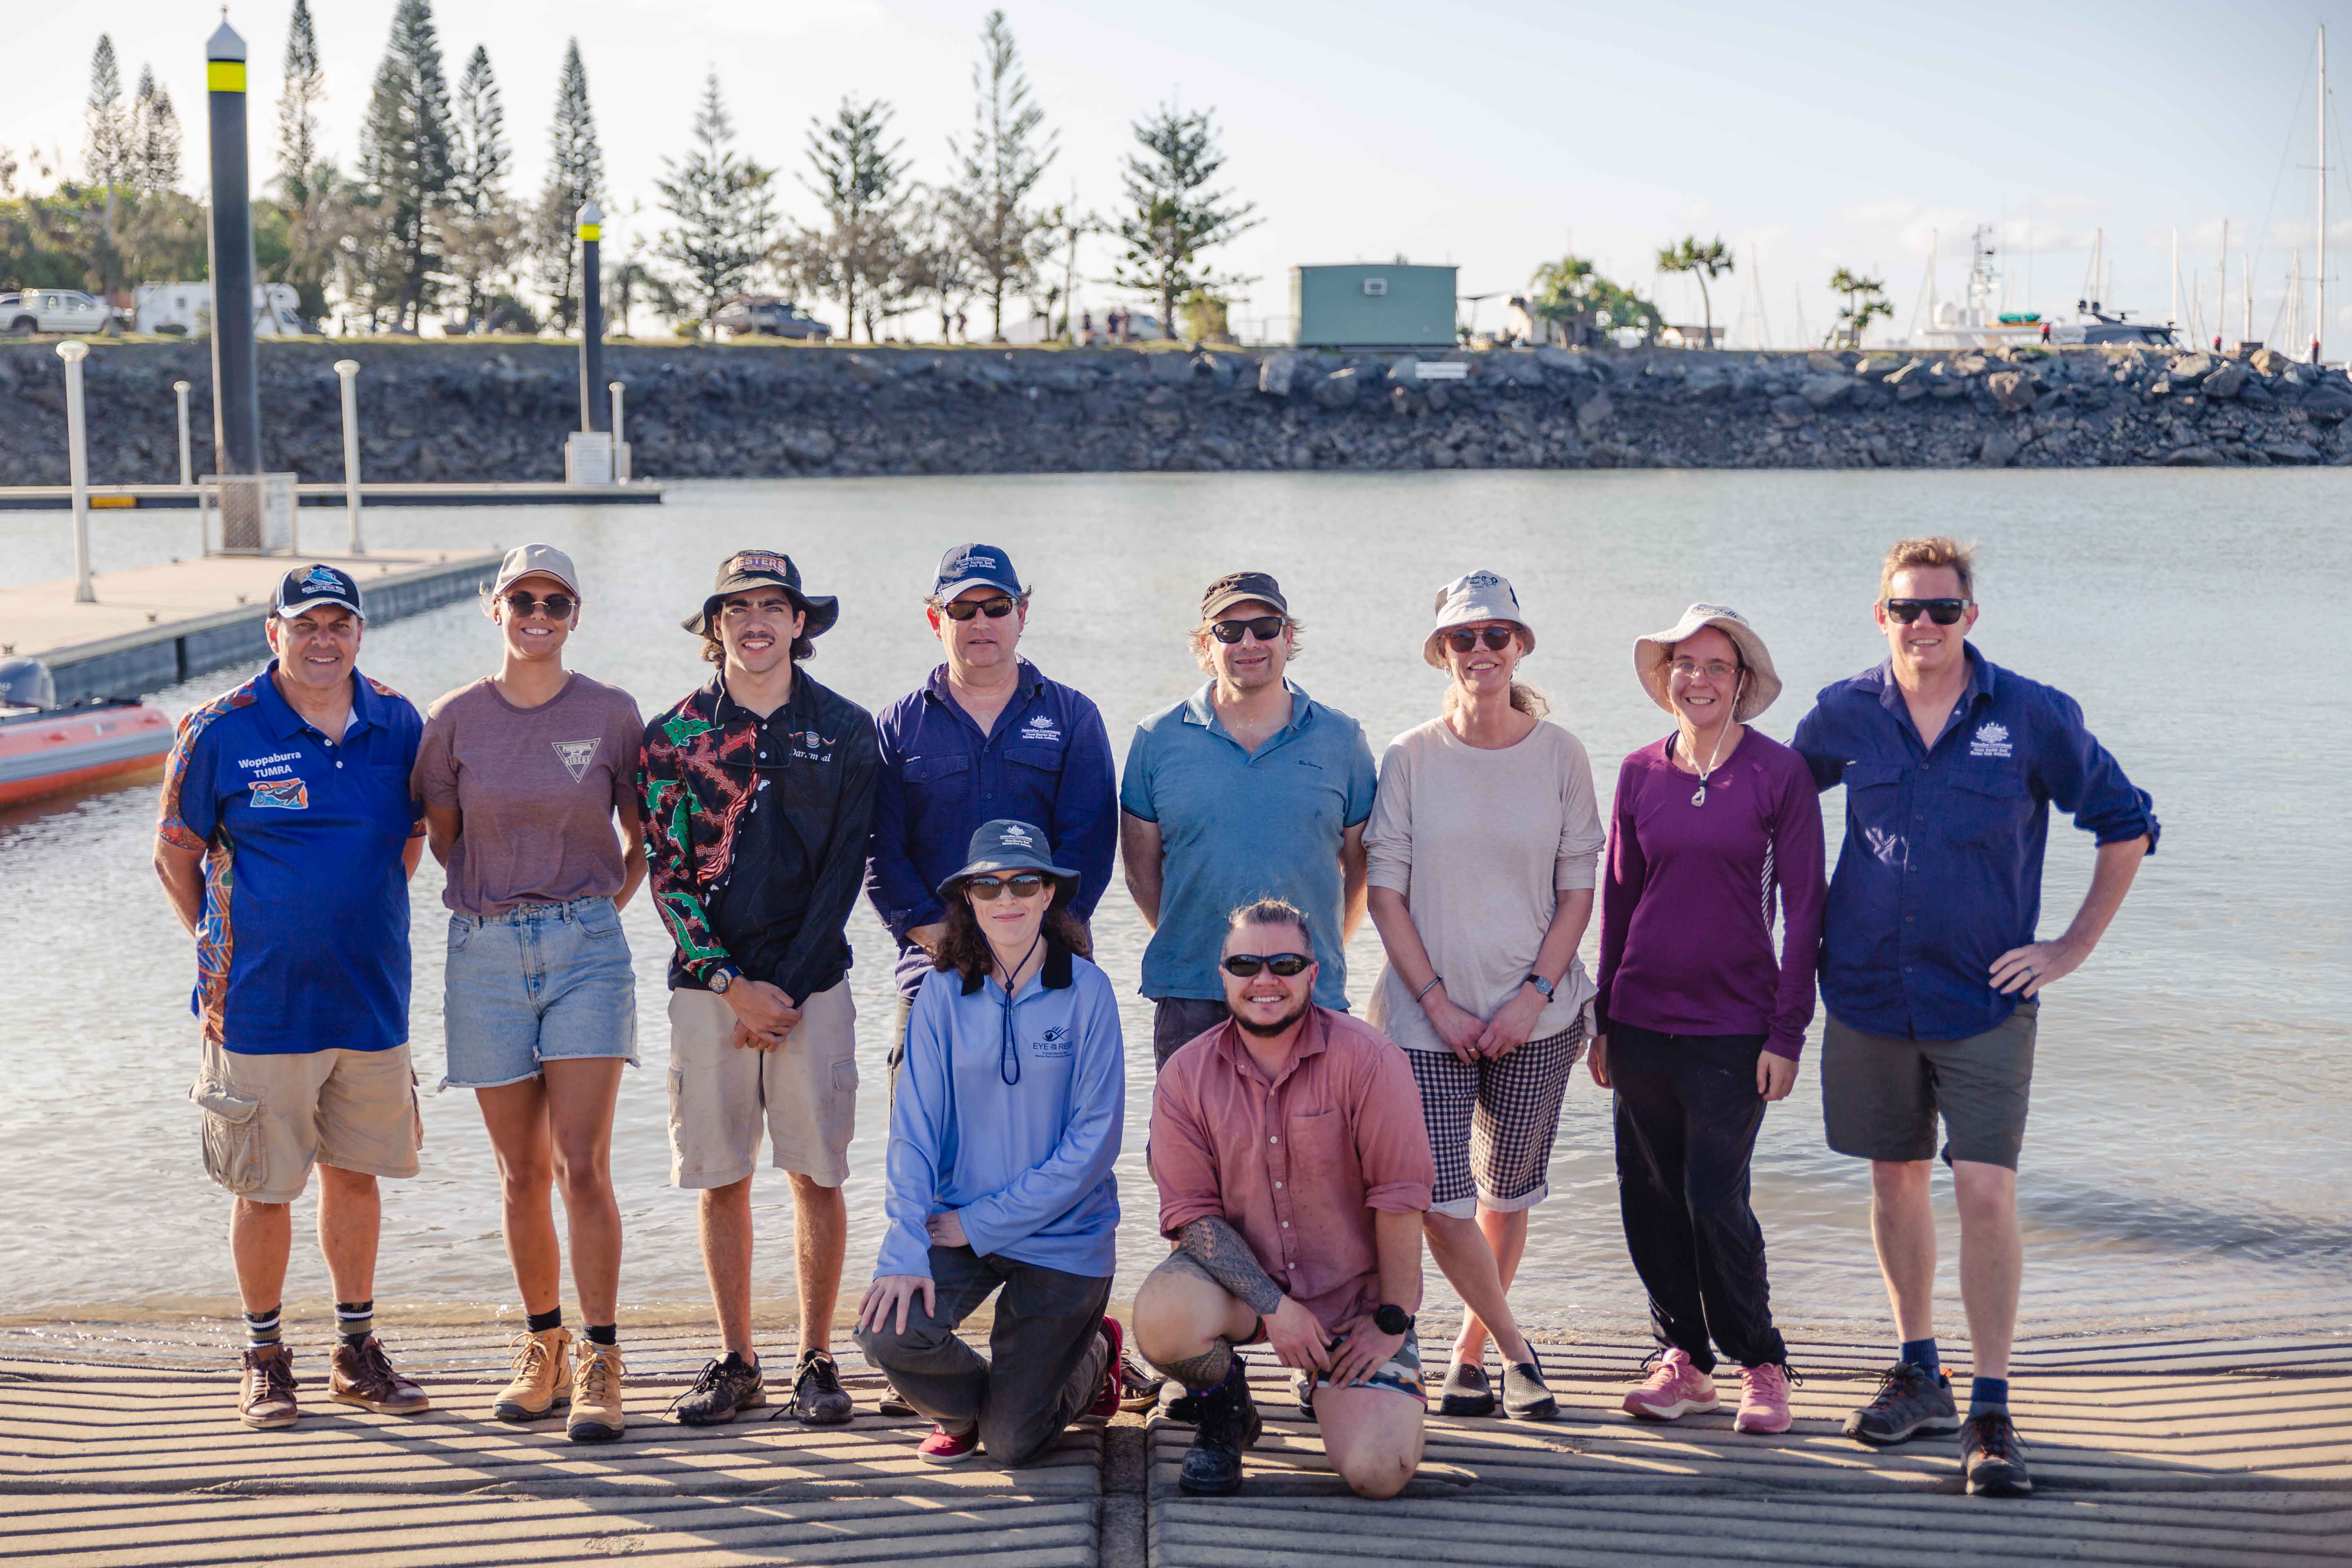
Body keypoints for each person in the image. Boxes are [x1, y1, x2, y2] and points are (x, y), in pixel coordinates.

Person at [1792, 537, 2157, 1498]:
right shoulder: (1840, 714)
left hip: (1983, 997)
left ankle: (1990, 1404)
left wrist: (2068, 948)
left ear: (1968, 617)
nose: (1921, 625)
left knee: (1984, 1190)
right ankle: (1919, 1370)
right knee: (1894, 1177)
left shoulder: (2029, 714)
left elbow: (2125, 822)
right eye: (1903, 609)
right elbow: (1773, 812)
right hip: (1866, 989)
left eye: (1939, 610)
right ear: (1878, 615)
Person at [864, 543, 1142, 1416]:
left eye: (995, 607)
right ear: (933, 617)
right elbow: (883, 855)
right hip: (935, 970)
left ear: (1024, 611)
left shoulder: (1071, 716)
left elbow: (1087, 844)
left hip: (1050, 965)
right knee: (936, 1150)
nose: (979, 624)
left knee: (1059, 1149)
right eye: (962, 610)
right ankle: (939, 1363)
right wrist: (957, 944)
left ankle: (1065, 1333)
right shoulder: (899, 726)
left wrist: (1024, 937)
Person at [154, 564, 431, 1430]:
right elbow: (175, 856)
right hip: (260, 1004)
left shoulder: (398, 721)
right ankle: (265, 1355)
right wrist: (228, 945)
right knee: (264, 1188)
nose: (323, 641)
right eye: (304, 625)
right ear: (272, 633)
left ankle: (355, 1351)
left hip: (370, 998)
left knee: (356, 1178)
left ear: (359, 633)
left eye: (338, 625)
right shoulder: (219, 730)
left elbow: (410, 846)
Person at [639, 550, 880, 1427]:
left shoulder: (851, 731)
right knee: (720, 1174)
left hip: (815, 986)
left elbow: (847, 872)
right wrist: (734, 986)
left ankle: (816, 1358)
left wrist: (784, 990)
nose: (755, 620)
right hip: (709, 989)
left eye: (773, 605)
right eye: (736, 607)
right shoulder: (672, 737)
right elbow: (667, 875)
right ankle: (736, 1359)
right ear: (713, 628)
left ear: (800, 623)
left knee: (817, 1173)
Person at [412, 544, 645, 1443]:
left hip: (589, 950)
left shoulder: (613, 714)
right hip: (483, 956)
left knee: (582, 1164)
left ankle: (601, 1360)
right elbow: (446, 839)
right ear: (494, 607)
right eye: (521, 599)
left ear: (575, 614)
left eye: (555, 600)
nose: (537, 613)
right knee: (520, 1174)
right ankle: (542, 1347)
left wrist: (593, 912)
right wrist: (505, 912)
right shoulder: (454, 721)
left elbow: (642, 837)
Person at [1363, 571, 1599, 1422]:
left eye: (1497, 636)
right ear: (1442, 652)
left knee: (1507, 1193)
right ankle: (1518, 1352)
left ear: (1520, 645)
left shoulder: (1562, 754)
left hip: (1540, 1017)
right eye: (1464, 638)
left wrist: (1533, 997)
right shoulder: (1410, 756)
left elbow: (1579, 891)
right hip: (1424, 1022)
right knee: (1434, 1199)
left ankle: (1466, 1359)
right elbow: (1385, 891)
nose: (1481, 651)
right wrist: (1440, 1000)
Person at [1589, 603, 1825, 1437]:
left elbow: (1805, 912)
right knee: (1648, 1197)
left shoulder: (1777, 775)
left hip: (1734, 1027)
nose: (1698, 679)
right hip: (1642, 1018)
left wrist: (1787, 1034)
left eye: (1716, 666)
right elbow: (1618, 898)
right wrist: (1603, 1019)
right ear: (1667, 680)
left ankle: (1763, 1362)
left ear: (1743, 682)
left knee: (1713, 1197)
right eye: (1684, 665)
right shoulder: (1637, 773)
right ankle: (1682, 1360)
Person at [1134, 899, 1435, 1500]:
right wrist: (1275, 1306)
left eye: (1285, 963)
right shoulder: (1185, 1076)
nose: (1264, 979)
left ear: (1313, 974)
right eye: (1245, 963)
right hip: (1243, 1291)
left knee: (1380, 1472)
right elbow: (1190, 1217)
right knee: (1162, 1317)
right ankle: (1226, 1412)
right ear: (1222, 976)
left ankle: (1332, 1385)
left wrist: (1391, 1322)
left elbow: (1400, 1199)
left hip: (1354, 1306)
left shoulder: (1372, 1060)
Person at [854, 820, 1127, 1465]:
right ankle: (967, 1407)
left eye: (1024, 882)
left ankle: (1095, 1356)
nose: (1007, 899)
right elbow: (914, 1131)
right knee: (885, 1333)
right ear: (969, 901)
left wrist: (980, 1223)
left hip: (1065, 1238)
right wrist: (904, 1245)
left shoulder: (1089, 992)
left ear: (1048, 896)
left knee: (1013, 1447)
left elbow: (1095, 1143)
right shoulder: (942, 995)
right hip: (958, 1223)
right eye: (988, 885)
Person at [1120, 571, 1377, 1067]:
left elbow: (1363, 869)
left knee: (1312, 1144)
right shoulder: (1157, 739)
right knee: (1191, 1144)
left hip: (1307, 989)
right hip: (1192, 991)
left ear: (1288, 636)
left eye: (1264, 627)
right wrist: (1195, 939)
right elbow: (1140, 871)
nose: (1249, 642)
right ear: (1205, 643)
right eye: (1228, 631)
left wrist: (1310, 949)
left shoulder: (1342, 738)